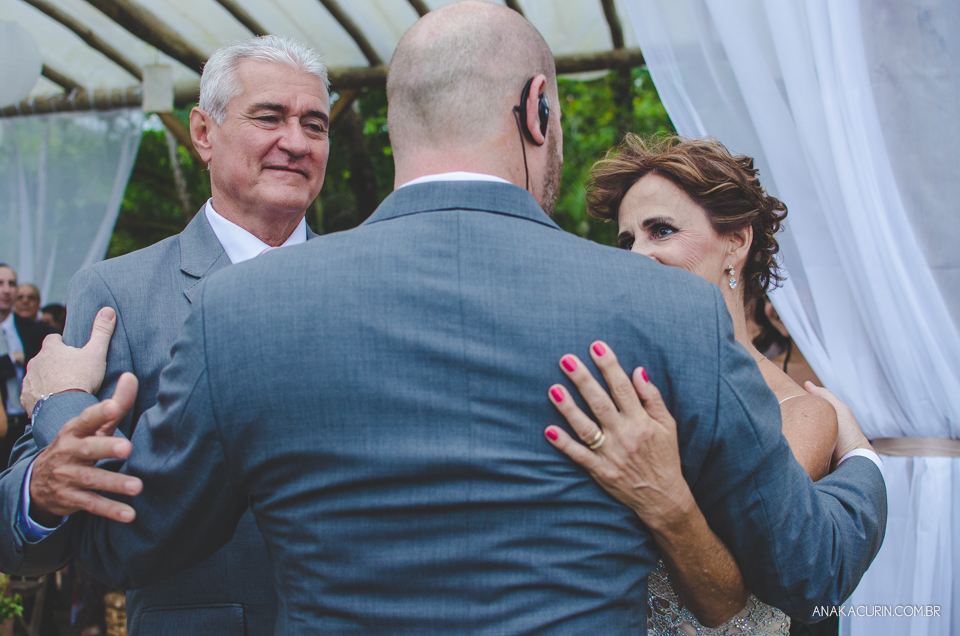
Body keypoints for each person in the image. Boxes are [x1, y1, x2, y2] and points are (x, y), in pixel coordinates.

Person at [20, 3, 883, 633]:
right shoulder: (668, 307)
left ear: (397, 122)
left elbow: (119, 544)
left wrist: (60, 404)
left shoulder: (239, 309)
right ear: (538, 110)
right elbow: (810, 571)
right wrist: (866, 462)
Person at [0, 35, 329, 635]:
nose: (297, 142)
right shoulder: (116, 293)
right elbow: (30, 524)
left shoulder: (370, 282)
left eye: (315, 124)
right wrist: (42, 487)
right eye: (269, 117)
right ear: (203, 133)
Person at [542, 135, 860, 633]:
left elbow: (735, 591)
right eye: (627, 241)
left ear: (736, 241)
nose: (637, 255)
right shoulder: (613, 384)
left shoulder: (798, 412)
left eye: (661, 230)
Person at [0, 265, 53, 466]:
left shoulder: (35, 330)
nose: (6, 290)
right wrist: (11, 359)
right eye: (0, 283)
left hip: (26, 425)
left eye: (11, 284)